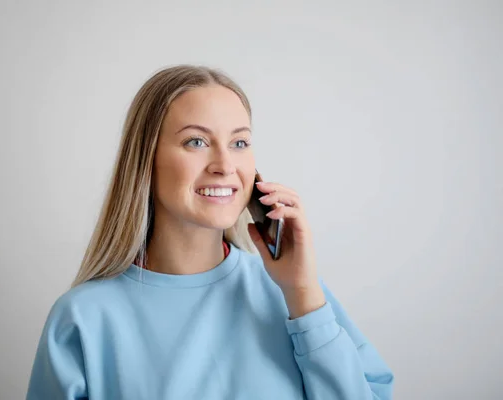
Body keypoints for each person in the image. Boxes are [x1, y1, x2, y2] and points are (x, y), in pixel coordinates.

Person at [26, 65, 394, 399]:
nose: (224, 165)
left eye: (239, 143)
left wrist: (302, 295)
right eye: (196, 142)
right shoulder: (82, 319)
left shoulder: (298, 295)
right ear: (145, 160)